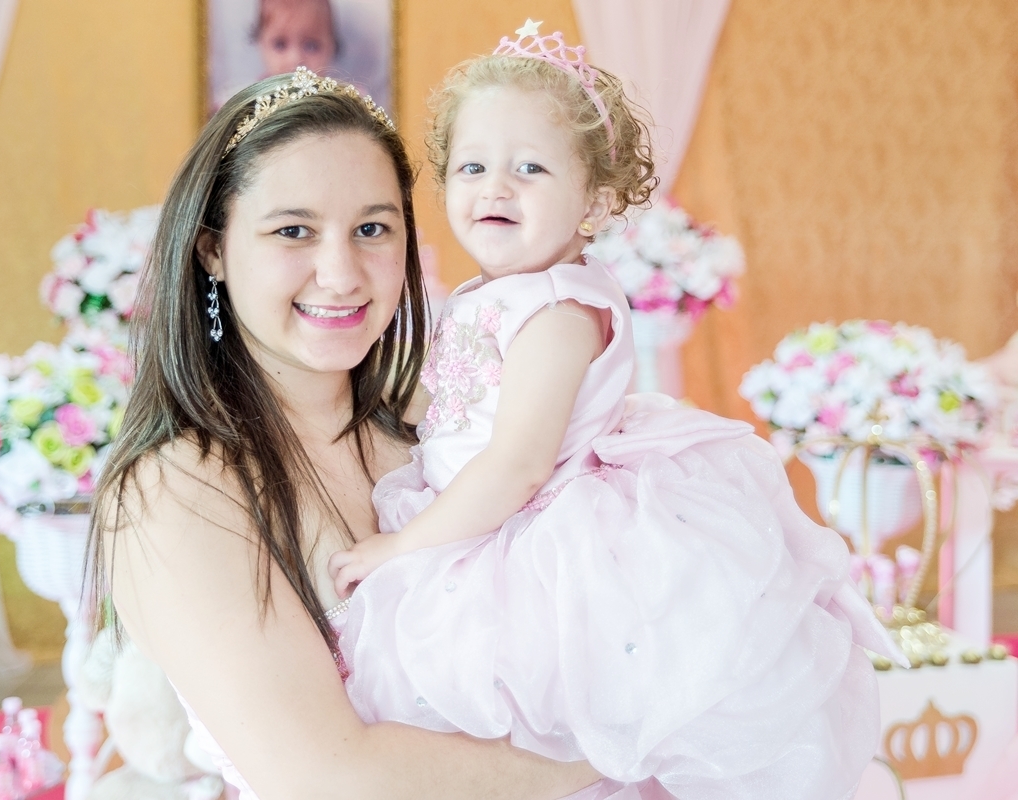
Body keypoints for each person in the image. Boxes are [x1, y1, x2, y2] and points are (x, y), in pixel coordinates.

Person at [326, 22, 900, 800]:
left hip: (535, 534)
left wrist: (403, 547)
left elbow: (517, 464)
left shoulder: (556, 312)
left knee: (535, 716)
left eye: (530, 168)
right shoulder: (493, 295)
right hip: (479, 510)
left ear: (594, 201)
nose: (495, 187)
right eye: (472, 166)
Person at [89, 67, 610, 800]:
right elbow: (327, 775)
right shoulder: (175, 491)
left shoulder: (447, 429)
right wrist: (629, 750)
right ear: (213, 250)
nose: (340, 275)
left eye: (371, 229)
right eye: (293, 231)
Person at [253, 0, 337, 78]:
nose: (295, 60)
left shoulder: (339, 88)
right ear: (261, 44)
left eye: (311, 46)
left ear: (331, 47)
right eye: (280, 44)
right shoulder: (253, 89)